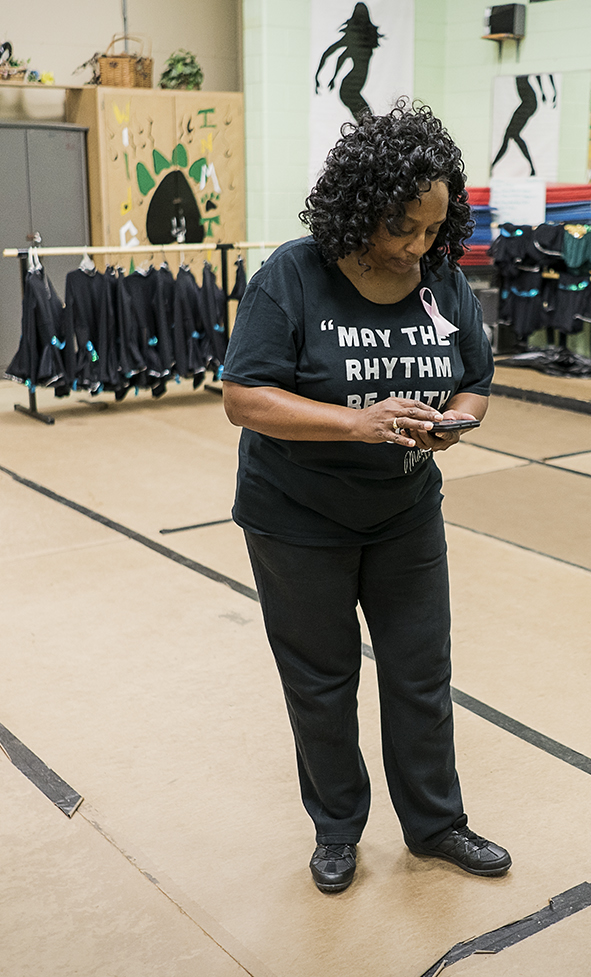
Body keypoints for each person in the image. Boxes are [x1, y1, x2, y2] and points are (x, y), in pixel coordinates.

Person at [222, 101, 508, 895]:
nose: (418, 243)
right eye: (402, 226)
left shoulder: (443, 281)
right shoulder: (293, 274)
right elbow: (245, 398)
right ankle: (337, 828)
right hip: (296, 517)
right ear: (361, 205)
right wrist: (358, 421)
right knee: (322, 680)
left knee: (420, 672)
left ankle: (437, 822)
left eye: (432, 228)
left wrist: (454, 425)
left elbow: (476, 383)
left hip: (405, 513)